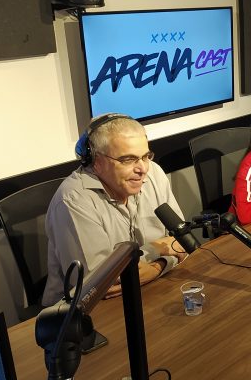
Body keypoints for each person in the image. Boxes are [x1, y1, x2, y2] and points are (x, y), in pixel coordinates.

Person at [43, 114, 187, 305]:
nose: (143, 169)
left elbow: (182, 241)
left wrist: (158, 266)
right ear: (96, 160)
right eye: (128, 159)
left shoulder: (154, 173)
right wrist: (158, 251)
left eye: (145, 156)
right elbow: (99, 286)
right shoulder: (72, 201)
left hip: (151, 290)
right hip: (82, 311)